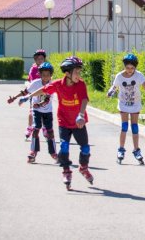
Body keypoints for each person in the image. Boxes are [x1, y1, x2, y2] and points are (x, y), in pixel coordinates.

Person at [22, 56, 92, 190]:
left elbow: (84, 99)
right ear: (67, 73)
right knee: (64, 148)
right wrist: (28, 96)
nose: (79, 75)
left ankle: (83, 168)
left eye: (79, 72)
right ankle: (66, 172)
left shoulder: (81, 84)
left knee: (85, 148)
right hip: (64, 122)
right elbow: (44, 90)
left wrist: (81, 114)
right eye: (76, 72)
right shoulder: (58, 84)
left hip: (78, 122)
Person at [107, 53, 145, 164]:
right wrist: (111, 91)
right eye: (127, 68)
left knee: (135, 127)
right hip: (123, 104)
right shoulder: (119, 76)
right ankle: (120, 150)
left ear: (135, 67)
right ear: (124, 66)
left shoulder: (139, 75)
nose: (130, 70)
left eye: (132, 68)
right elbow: (114, 86)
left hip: (135, 104)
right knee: (125, 126)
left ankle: (136, 150)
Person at [7, 62, 57, 163]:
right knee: (36, 129)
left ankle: (53, 153)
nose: (45, 77)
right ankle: (33, 152)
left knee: (50, 132)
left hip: (47, 111)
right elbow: (25, 92)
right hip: (37, 111)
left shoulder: (52, 84)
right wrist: (15, 98)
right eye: (43, 75)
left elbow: (47, 99)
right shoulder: (36, 83)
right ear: (40, 74)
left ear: (51, 75)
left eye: (47, 75)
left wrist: (39, 104)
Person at [24, 49, 47, 140]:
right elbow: (33, 82)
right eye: (38, 59)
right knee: (32, 111)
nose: (40, 60)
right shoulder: (33, 69)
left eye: (41, 58)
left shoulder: (47, 68)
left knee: (44, 112)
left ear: (44, 59)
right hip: (34, 94)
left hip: (44, 93)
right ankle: (29, 128)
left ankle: (45, 128)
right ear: (35, 60)